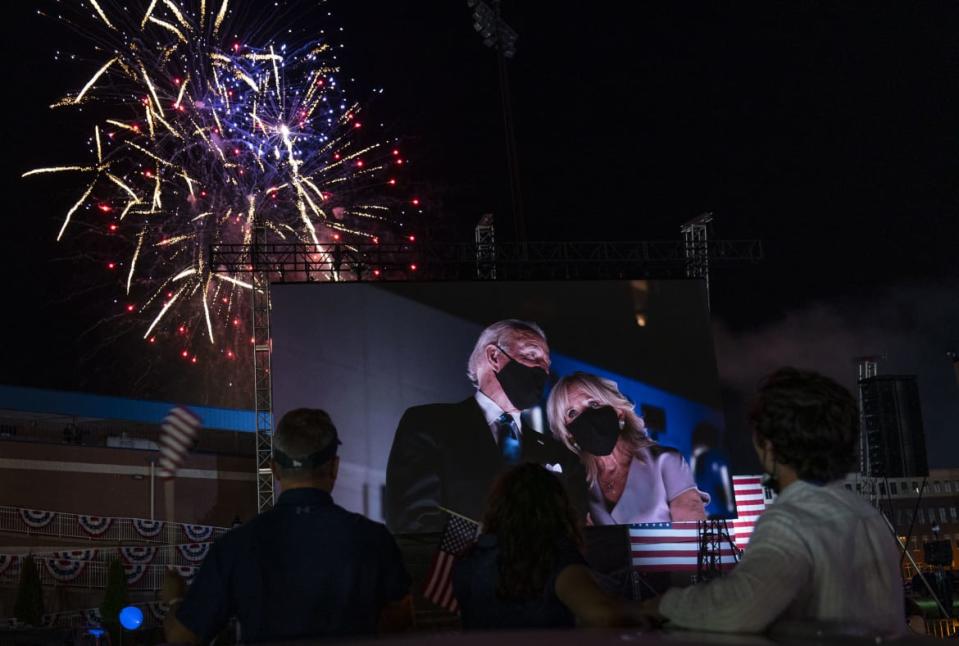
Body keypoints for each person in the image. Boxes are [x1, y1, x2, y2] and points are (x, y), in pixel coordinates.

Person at [642, 367, 906, 637]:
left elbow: (737, 609)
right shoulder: (868, 515)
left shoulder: (791, 521)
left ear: (769, 447)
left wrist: (661, 606)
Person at [163, 409, 412, 643]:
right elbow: (401, 620)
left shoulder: (235, 547)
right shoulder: (373, 539)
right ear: (334, 467)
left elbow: (183, 637)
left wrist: (174, 598)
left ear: (274, 469)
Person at [385, 319, 585, 533]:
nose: (542, 370)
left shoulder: (558, 453)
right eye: (531, 355)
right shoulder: (429, 424)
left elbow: (574, 531)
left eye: (546, 364)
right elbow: (415, 520)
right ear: (494, 357)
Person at [453, 463, 642, 629]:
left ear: (498, 507)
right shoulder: (554, 557)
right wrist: (649, 609)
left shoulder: (469, 560)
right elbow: (602, 615)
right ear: (557, 508)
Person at [547, 372, 707, 525]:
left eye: (594, 404)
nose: (586, 416)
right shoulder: (580, 483)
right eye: (572, 413)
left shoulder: (666, 462)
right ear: (568, 434)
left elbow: (696, 538)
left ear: (619, 412)